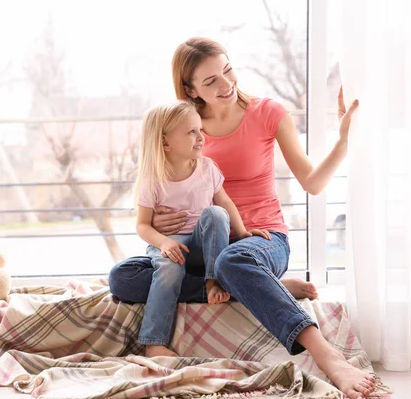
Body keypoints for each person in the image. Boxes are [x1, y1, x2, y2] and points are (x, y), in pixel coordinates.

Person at [109, 37, 375, 399]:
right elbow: (160, 182)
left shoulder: (267, 113)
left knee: (234, 259)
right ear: (190, 89)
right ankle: (257, 285)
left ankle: (327, 356)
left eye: (228, 70)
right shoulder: (184, 125)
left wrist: (343, 141)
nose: (226, 84)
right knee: (123, 278)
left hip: (260, 240)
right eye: (210, 81)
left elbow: (313, 183)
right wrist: (158, 225)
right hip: (202, 245)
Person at [135, 100, 272, 357]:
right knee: (163, 270)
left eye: (200, 129)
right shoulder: (152, 180)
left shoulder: (207, 168)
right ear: (165, 142)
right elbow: (142, 225)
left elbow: (225, 202)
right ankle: (154, 343)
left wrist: (241, 233)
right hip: (172, 246)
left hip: (203, 247)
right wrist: (164, 243)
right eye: (191, 132)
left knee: (215, 213)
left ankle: (213, 282)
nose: (201, 137)